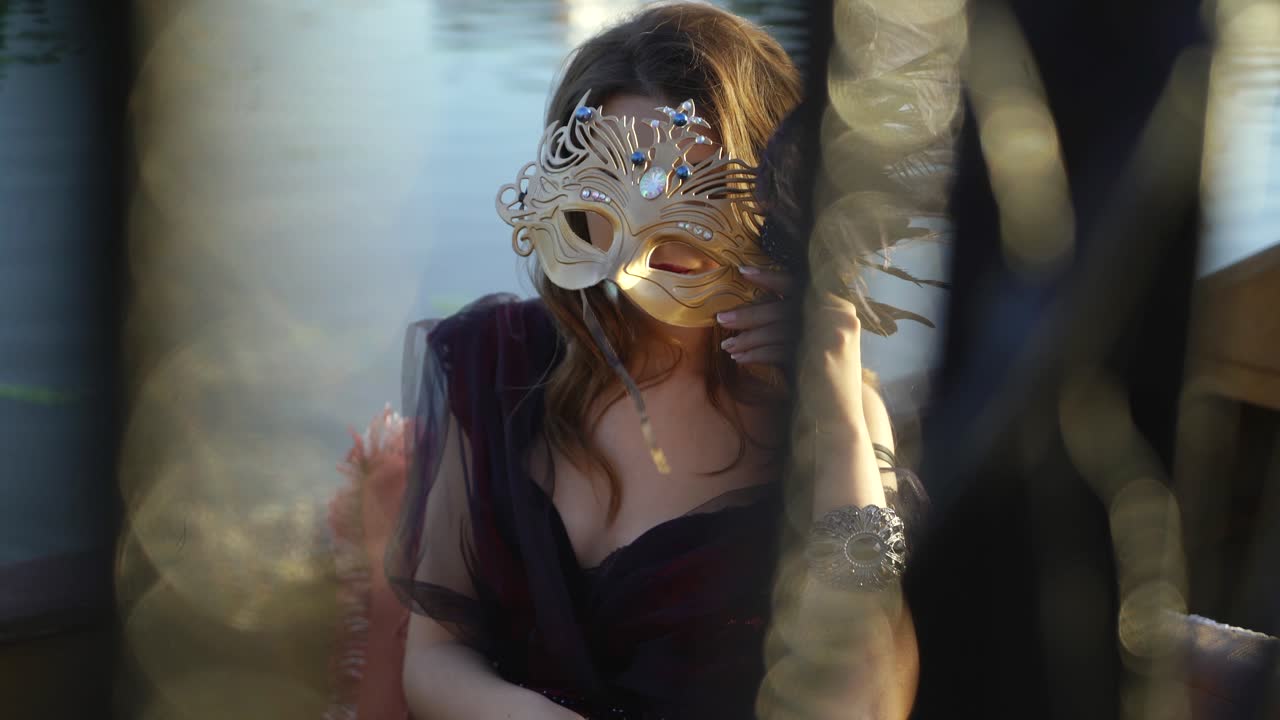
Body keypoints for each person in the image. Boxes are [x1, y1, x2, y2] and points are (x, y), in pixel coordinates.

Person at [383, 4, 924, 718]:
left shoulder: (834, 422)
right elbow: (434, 654)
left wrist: (837, 420)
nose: (656, 220)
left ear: (772, 187)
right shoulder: (495, 366)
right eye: (620, 176)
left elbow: (862, 697)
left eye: (696, 184)